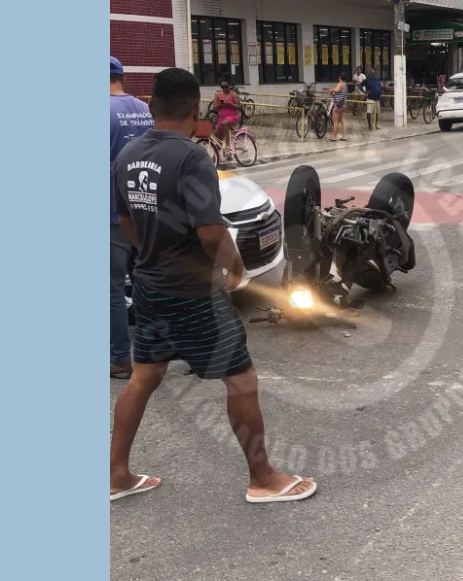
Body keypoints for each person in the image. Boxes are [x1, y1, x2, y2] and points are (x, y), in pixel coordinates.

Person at [109, 67, 318, 504]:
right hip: (192, 290)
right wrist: (236, 269)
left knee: (144, 374)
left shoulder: (127, 154)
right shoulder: (192, 157)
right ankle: (263, 478)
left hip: (148, 285)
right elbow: (210, 231)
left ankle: (117, 475)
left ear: (150, 103)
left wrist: (149, 250)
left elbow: (125, 218)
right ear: (195, 108)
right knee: (241, 379)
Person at [109, 57, 153, 379]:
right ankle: (155, 351)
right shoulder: (144, 109)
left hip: (111, 212)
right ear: (122, 77)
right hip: (145, 207)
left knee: (111, 290)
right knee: (146, 281)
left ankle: (120, 360)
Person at [212, 78, 241, 154]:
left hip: (232, 116)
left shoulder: (233, 94)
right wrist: (219, 104)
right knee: (219, 140)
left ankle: (228, 144)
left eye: (226, 86)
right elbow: (214, 106)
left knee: (225, 123)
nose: (224, 88)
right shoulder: (218, 95)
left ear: (229, 86)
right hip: (221, 117)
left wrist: (230, 105)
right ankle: (215, 158)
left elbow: (239, 106)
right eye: (222, 87)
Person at [328, 71, 349, 142]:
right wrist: (332, 93)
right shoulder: (345, 85)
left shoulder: (341, 84)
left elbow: (337, 90)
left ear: (340, 77)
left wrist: (331, 90)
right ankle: (345, 136)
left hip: (337, 106)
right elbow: (338, 93)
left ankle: (334, 136)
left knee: (335, 122)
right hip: (343, 105)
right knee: (343, 120)